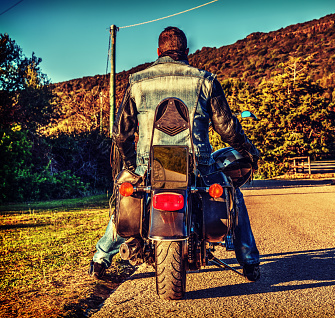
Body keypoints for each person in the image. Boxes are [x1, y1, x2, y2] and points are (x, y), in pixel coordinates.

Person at [89, 26, 260, 281]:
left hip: (149, 165)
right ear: (186, 52)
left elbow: (121, 134)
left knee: (127, 198)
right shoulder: (206, 80)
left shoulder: (137, 81)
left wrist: (131, 164)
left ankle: (100, 259)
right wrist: (248, 148)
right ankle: (249, 262)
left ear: (159, 52)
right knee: (233, 194)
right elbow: (227, 129)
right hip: (198, 165)